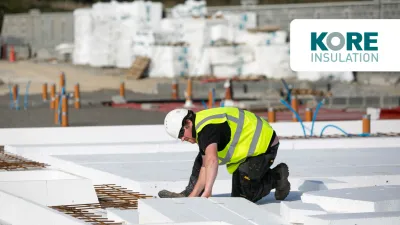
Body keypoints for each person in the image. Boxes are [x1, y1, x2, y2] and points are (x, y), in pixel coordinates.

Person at [158, 107, 290, 203]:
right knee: (201, 160)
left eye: (182, 134)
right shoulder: (200, 126)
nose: (182, 139)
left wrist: (208, 191)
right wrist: (193, 197)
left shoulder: (207, 129)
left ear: (188, 123)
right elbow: (204, 165)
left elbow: (212, 160)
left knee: (242, 198)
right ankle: (190, 194)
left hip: (264, 146)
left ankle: (277, 177)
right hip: (247, 148)